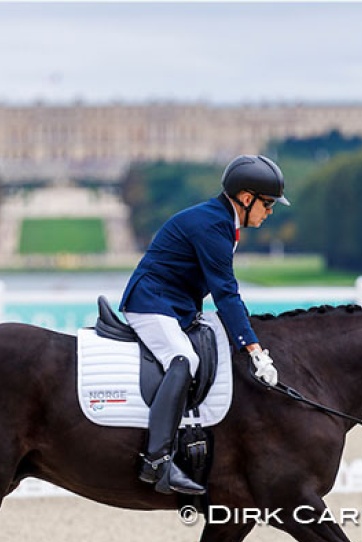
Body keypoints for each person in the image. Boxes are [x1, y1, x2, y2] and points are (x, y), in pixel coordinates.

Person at [120, 154, 289, 495]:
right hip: (151, 302)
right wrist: (253, 348)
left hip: (176, 306)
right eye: (267, 204)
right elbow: (226, 293)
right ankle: (157, 461)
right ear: (246, 198)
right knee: (184, 359)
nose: (269, 212)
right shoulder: (213, 225)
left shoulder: (221, 220)